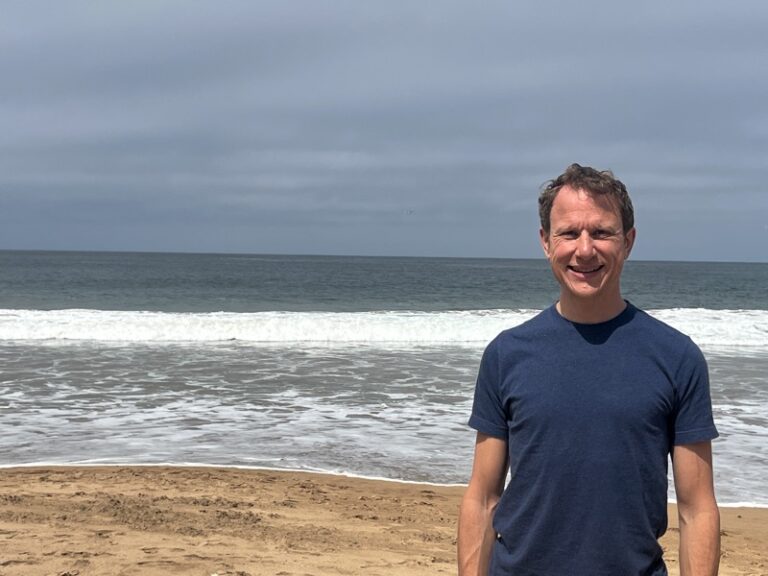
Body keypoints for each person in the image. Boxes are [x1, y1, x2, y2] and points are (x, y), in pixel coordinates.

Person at [457, 164, 720, 575]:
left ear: (627, 241)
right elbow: (483, 497)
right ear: (546, 242)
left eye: (601, 232)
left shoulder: (676, 356)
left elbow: (696, 508)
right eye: (568, 233)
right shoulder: (506, 354)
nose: (584, 250)